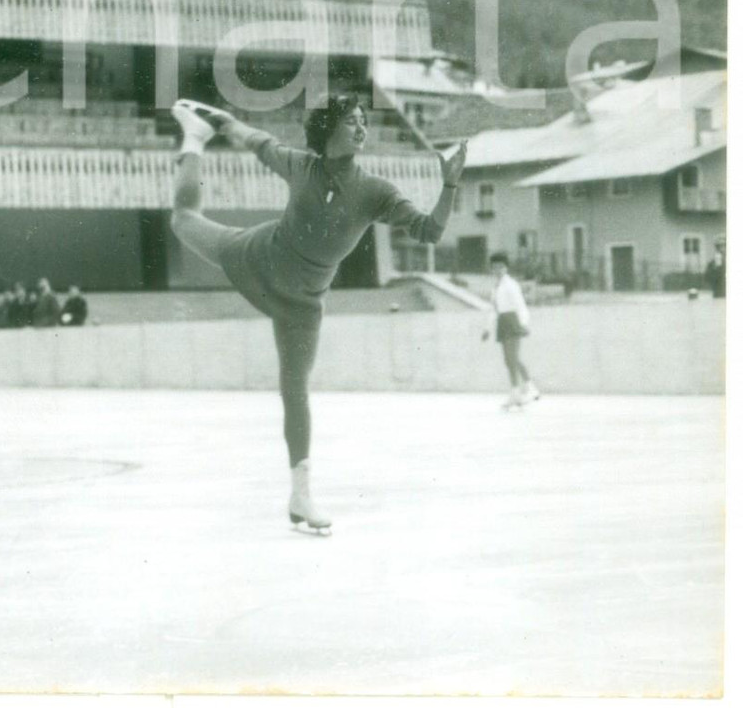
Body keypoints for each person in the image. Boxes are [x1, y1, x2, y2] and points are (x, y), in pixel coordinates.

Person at [169, 94, 466, 533]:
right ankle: (193, 139)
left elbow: (429, 230)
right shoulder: (302, 165)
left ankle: (300, 495)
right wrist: (225, 124)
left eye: (365, 121)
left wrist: (451, 185)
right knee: (182, 220)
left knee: (294, 391)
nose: (361, 128)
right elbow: (258, 141)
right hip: (256, 255)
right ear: (328, 130)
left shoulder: (376, 192)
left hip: (302, 304)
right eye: (351, 121)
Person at [482, 253, 539, 409]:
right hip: (503, 322)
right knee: (509, 360)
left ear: (506, 268)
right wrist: (487, 328)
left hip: (513, 321)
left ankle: (519, 392)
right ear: (491, 269)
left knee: (512, 359)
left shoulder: (511, 285)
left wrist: (523, 323)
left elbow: (520, 305)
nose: (498, 270)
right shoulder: (496, 288)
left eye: (501, 267)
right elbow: (495, 309)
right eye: (495, 267)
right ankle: (527, 388)